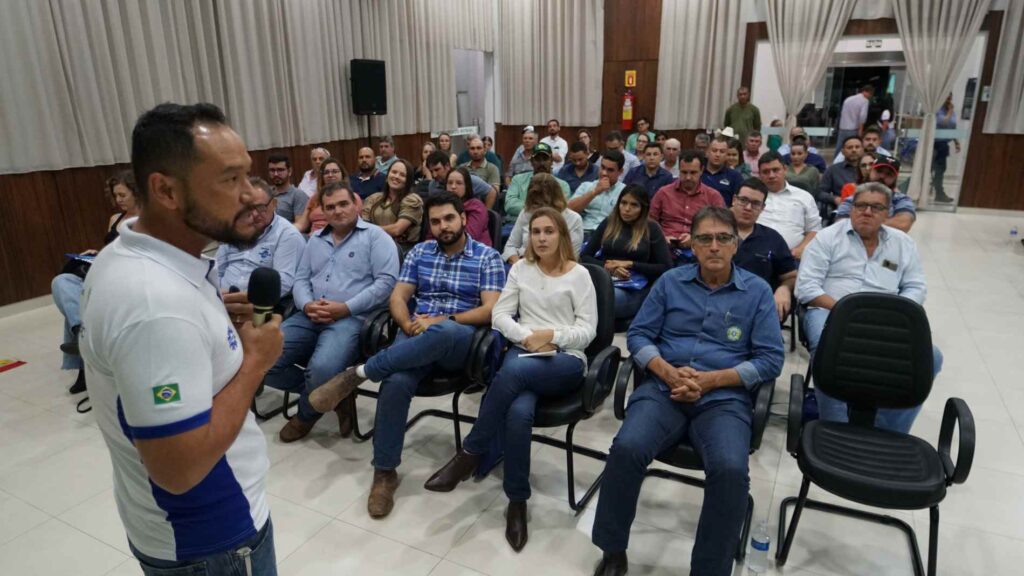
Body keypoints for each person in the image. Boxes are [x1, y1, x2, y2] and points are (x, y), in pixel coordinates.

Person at [80, 102, 285, 575]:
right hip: (213, 539)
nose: (253, 195)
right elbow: (179, 471)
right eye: (230, 179)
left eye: (248, 174)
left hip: (179, 532)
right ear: (166, 190)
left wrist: (207, 320)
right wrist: (256, 362)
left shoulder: (128, 252)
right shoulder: (156, 305)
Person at [591, 206, 784, 576]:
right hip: (663, 389)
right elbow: (639, 335)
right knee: (627, 448)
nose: (714, 246)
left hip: (724, 398)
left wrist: (713, 380)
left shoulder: (757, 292)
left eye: (723, 238)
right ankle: (612, 550)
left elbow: (770, 360)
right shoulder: (670, 282)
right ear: (692, 245)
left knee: (730, 470)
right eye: (704, 239)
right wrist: (665, 371)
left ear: (736, 244)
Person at [307, 192, 506, 519]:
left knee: (445, 332)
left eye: (449, 218)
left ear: (463, 219)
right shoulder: (419, 252)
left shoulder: (487, 257)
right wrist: (406, 324)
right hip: (414, 334)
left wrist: (438, 322)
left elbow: (490, 310)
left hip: (458, 340)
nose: (443, 226)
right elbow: (398, 297)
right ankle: (385, 472)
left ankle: (359, 373)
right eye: (436, 221)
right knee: (397, 381)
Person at [425, 207, 596, 551]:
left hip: (565, 359)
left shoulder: (580, 275)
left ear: (562, 235)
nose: (542, 238)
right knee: (518, 413)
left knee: (511, 372)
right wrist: (527, 336)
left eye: (549, 231)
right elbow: (500, 315)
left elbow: (588, 330)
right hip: (524, 349)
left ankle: (471, 451)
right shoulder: (520, 269)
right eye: (536, 232)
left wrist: (552, 336)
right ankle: (517, 501)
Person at [796, 182, 942, 433]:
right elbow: (807, 288)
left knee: (931, 357)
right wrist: (849, 313)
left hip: (887, 317)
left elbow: (915, 286)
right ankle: (835, 428)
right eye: (860, 205)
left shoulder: (902, 243)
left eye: (876, 207)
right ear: (851, 208)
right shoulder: (828, 237)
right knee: (826, 346)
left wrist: (898, 314)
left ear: (888, 213)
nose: (866, 212)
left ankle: (886, 430)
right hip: (830, 312)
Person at [264, 181, 398, 442]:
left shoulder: (376, 237)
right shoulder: (315, 239)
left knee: (322, 370)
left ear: (356, 205)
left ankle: (305, 415)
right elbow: (301, 278)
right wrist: (306, 304)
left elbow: (386, 284)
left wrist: (346, 308)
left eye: (343, 204)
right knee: (263, 358)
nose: (338, 211)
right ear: (323, 212)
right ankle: (336, 395)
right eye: (330, 207)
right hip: (309, 315)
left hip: (352, 318)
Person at [52, 170, 139, 395]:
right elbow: (111, 249)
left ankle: (82, 346)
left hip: (128, 276)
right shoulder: (115, 219)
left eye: (123, 195)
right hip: (106, 271)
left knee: (80, 303)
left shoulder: (147, 220)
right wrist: (97, 254)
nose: (118, 200)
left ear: (136, 192)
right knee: (62, 282)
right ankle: (81, 331)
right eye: (115, 195)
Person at [581, 185, 672, 320]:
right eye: (623, 203)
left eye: (634, 205)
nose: (627, 209)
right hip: (606, 280)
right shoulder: (609, 223)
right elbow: (585, 256)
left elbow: (665, 267)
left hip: (635, 288)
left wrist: (630, 264)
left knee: (602, 300)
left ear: (643, 208)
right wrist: (608, 267)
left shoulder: (652, 228)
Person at [216, 177, 305, 299]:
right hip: (221, 298)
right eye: (248, 208)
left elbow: (283, 283)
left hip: (260, 303)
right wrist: (216, 294)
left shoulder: (287, 235)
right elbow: (217, 271)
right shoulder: (234, 230)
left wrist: (245, 298)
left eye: (260, 207)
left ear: (274, 204)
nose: (254, 214)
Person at [730, 178, 798, 321]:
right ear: (734, 200)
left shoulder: (773, 238)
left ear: (762, 208)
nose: (748, 207)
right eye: (743, 200)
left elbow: (791, 276)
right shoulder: (715, 234)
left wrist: (784, 289)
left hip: (759, 309)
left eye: (755, 204)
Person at [650, 151, 725, 264]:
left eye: (693, 172)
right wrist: (661, 237)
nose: (688, 177)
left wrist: (696, 237)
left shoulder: (713, 196)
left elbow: (721, 226)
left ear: (701, 170)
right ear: (679, 170)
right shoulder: (663, 193)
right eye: (684, 172)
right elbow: (650, 221)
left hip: (700, 250)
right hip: (665, 248)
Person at [505, 173, 584, 263]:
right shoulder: (527, 212)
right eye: (535, 203)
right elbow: (510, 246)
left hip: (556, 268)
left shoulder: (574, 219)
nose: (539, 209)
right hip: (522, 261)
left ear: (556, 200)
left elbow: (570, 258)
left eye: (543, 204)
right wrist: (517, 264)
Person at [756, 151, 820, 259]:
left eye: (775, 170)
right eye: (766, 172)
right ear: (759, 175)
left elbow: (814, 229)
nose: (771, 175)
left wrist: (801, 249)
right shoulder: (753, 197)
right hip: (756, 256)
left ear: (785, 169)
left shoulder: (804, 197)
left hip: (792, 257)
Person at [835, 155, 916, 232]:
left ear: (894, 179)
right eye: (879, 171)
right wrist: (883, 222)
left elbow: (903, 225)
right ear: (871, 171)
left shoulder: (901, 200)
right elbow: (842, 225)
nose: (882, 176)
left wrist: (863, 223)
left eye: (889, 174)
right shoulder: (853, 198)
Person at [362, 159, 424, 255]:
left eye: (402, 175)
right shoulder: (373, 199)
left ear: (408, 181)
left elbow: (397, 230)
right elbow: (364, 226)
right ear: (387, 176)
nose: (396, 176)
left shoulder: (412, 200)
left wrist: (370, 231)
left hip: (402, 251)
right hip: (374, 246)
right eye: (394, 172)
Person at [503, 142, 571, 227]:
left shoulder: (562, 185)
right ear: (531, 161)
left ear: (551, 161)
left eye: (545, 159)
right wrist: (543, 209)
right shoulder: (518, 180)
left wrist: (532, 208)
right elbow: (510, 205)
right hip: (516, 224)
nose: (541, 163)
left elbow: (562, 209)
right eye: (537, 159)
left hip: (551, 225)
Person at [426, 166, 492, 247]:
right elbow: (430, 237)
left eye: (459, 183)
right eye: (450, 183)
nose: (453, 187)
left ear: (466, 186)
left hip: (474, 251)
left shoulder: (476, 206)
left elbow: (469, 237)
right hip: (441, 250)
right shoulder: (440, 207)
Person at [570, 150, 627, 241]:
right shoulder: (586, 186)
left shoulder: (625, 192)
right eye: (602, 167)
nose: (604, 173)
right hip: (583, 232)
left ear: (620, 172)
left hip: (609, 235)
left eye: (610, 170)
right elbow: (569, 210)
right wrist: (595, 192)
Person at [295, 157, 347, 235]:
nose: (330, 175)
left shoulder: (352, 197)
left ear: (342, 175)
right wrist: (285, 231)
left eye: (335, 171)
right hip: (312, 237)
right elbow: (302, 224)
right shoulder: (315, 198)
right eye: (326, 172)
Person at [428, 150, 495, 206]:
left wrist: (487, 213)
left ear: (447, 166)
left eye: (437, 170)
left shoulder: (468, 178)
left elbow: (492, 192)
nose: (434, 175)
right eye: (431, 171)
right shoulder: (432, 185)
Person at [819, 136, 863, 209]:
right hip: (842, 208)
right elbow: (820, 193)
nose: (854, 150)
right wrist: (835, 199)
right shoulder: (833, 170)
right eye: (850, 147)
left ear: (863, 150)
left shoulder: (871, 168)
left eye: (857, 147)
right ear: (842, 151)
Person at [933, 94, 961, 203]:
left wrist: (956, 141)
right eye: (947, 98)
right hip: (936, 143)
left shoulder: (950, 110)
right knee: (938, 170)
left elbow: (952, 127)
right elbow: (943, 123)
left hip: (944, 144)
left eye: (950, 98)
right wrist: (950, 111)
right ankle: (939, 193)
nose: (949, 100)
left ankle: (938, 192)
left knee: (941, 169)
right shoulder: (937, 110)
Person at [701, 135, 743, 206]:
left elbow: (738, 204)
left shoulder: (735, 177)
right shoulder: (697, 172)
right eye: (714, 150)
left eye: (722, 152)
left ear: (726, 155)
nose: (718, 154)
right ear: (707, 152)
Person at [266, 154, 309, 222]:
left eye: (280, 170)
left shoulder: (298, 195)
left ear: (290, 171)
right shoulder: (265, 193)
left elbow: (300, 224)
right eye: (272, 170)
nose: (276, 174)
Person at [460, 135, 501, 203]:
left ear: (484, 150)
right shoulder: (462, 168)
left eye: (479, 148)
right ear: (468, 151)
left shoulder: (492, 168)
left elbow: (495, 192)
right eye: (472, 148)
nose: (475, 151)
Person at [836, 84, 874, 155]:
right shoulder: (864, 101)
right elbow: (862, 117)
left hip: (842, 127)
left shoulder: (848, 99)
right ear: (868, 92)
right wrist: (860, 131)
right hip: (853, 129)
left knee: (840, 147)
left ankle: (836, 160)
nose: (870, 96)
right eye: (870, 94)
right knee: (852, 148)